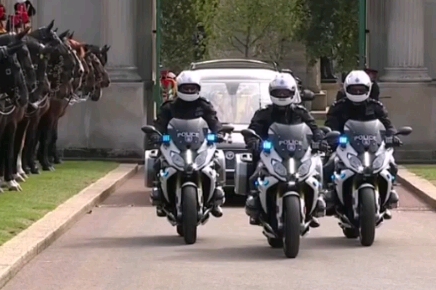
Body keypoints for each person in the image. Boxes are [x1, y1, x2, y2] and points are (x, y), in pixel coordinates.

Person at [244, 73, 325, 225]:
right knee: (256, 170)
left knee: (316, 168)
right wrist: (253, 140)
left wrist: (319, 141)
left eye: (285, 92)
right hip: (271, 154)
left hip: (297, 153)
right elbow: (253, 130)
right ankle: (254, 198)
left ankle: (316, 201)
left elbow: (314, 129)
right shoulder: (263, 113)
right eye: (278, 92)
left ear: (292, 93)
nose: (282, 95)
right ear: (272, 93)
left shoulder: (300, 113)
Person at [151, 70, 224, 216]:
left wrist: (219, 132)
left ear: (198, 89)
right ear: (179, 88)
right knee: (158, 162)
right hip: (175, 145)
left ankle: (216, 198)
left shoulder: (204, 106)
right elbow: (160, 124)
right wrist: (155, 134)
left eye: (193, 88)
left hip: (198, 145)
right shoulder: (169, 107)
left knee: (218, 161)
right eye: (186, 88)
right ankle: (159, 196)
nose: (190, 91)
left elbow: (213, 121)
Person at [324, 69, 399, 212]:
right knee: (329, 163)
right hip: (345, 146)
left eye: (361, 90)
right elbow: (330, 125)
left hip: (371, 146)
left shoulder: (376, 106)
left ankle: (390, 192)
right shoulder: (338, 107)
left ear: (368, 89)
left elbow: (387, 124)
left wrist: (392, 136)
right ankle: (329, 194)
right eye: (354, 89)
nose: (358, 93)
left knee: (392, 163)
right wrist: (331, 137)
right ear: (347, 89)